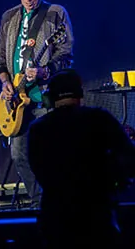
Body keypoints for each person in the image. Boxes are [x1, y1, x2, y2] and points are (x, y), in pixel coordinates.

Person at [0, 0, 75, 209]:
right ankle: (41, 204)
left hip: (44, 97)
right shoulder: (9, 17)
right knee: (19, 156)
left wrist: (45, 70)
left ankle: (57, 205)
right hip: (16, 100)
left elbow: (67, 55)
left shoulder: (55, 14)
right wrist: (5, 82)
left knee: (49, 155)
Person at [26, 69, 135, 248]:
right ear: (80, 94)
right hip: (97, 214)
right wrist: (115, 185)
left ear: (50, 98)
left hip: (55, 217)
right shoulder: (100, 118)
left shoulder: (38, 129)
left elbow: (38, 170)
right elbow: (129, 158)